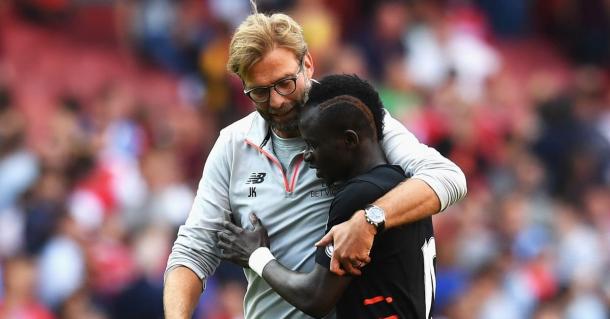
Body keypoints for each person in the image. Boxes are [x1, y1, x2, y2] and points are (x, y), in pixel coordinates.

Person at [163, 5, 466, 319]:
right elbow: (193, 250)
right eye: (260, 92)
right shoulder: (232, 144)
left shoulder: (354, 115)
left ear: (307, 64)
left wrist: (369, 220)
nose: (277, 101)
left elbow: (447, 177)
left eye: (284, 83)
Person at [218, 74, 437, 319]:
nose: (307, 156)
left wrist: (256, 255)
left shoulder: (357, 197)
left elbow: (316, 297)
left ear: (349, 140)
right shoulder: (406, 187)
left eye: (313, 145)